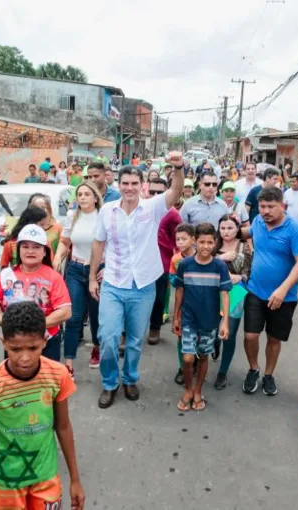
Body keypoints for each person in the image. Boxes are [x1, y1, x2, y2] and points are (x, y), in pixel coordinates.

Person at [0, 301, 84, 510]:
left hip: (47, 479)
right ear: (3, 342)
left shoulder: (58, 375)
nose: (25, 358)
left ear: (44, 340)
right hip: (7, 484)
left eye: (32, 347)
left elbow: (63, 427)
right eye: (15, 349)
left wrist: (75, 480)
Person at [89, 152, 184, 409]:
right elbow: (98, 244)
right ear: (118, 185)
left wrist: (178, 167)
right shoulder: (107, 211)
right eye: (125, 183)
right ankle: (110, 383)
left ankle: (130, 378)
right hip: (113, 284)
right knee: (108, 338)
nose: (129, 188)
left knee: (133, 340)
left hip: (143, 286)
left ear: (141, 185)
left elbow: (176, 191)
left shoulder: (152, 208)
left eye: (134, 183)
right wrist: (92, 278)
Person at [240, 187, 298, 396]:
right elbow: (246, 233)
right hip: (255, 290)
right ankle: (253, 369)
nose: (266, 211)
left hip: (283, 297)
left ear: (282, 206)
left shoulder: (295, 230)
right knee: (250, 336)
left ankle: (269, 374)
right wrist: (227, 227)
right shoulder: (258, 222)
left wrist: (282, 290)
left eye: (271, 207)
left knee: (273, 339)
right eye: (262, 206)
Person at [0, 225, 72, 364]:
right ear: (18, 250)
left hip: (47, 340)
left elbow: (65, 312)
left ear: (45, 252)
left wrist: (35, 326)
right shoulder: (5, 275)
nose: (30, 251)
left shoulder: (54, 277)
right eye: (25, 246)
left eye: (36, 247)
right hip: (14, 341)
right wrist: (9, 323)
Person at [173, 223, 230, 412]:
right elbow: (180, 291)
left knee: (204, 356)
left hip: (210, 321)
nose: (206, 246)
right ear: (194, 242)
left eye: (210, 242)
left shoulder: (219, 266)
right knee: (188, 358)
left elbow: (224, 294)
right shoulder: (185, 265)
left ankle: (198, 390)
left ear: (215, 243)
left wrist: (225, 321)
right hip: (189, 319)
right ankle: (188, 389)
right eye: (202, 242)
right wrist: (176, 317)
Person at [53, 181, 104, 372]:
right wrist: (58, 257)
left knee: (96, 315)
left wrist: (108, 267)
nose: (82, 197)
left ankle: (97, 348)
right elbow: (65, 242)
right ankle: (69, 364)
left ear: (95, 197)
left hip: (98, 270)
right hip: (75, 269)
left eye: (86, 194)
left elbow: (114, 245)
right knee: (73, 317)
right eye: (79, 194)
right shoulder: (72, 216)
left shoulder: (103, 216)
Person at [213, 215, 252, 390]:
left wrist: (240, 277)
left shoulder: (244, 247)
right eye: (223, 228)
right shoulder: (213, 245)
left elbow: (248, 272)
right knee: (212, 327)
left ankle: (222, 371)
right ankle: (213, 343)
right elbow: (202, 262)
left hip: (235, 292)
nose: (226, 231)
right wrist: (220, 259)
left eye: (230, 228)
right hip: (212, 291)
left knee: (229, 332)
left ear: (238, 229)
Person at [149, 178, 182, 345]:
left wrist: (176, 261)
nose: (155, 196)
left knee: (158, 298)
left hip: (163, 263)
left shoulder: (173, 214)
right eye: (152, 192)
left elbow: (179, 241)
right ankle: (127, 333)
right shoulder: (142, 209)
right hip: (141, 262)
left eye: (159, 193)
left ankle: (155, 327)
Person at [170, 223, 197, 385]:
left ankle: (197, 362)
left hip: (201, 304)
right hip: (183, 304)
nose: (180, 242)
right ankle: (183, 367)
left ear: (193, 239)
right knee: (181, 337)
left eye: (184, 239)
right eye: (177, 239)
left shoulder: (202, 256)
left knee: (200, 335)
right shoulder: (176, 259)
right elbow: (172, 279)